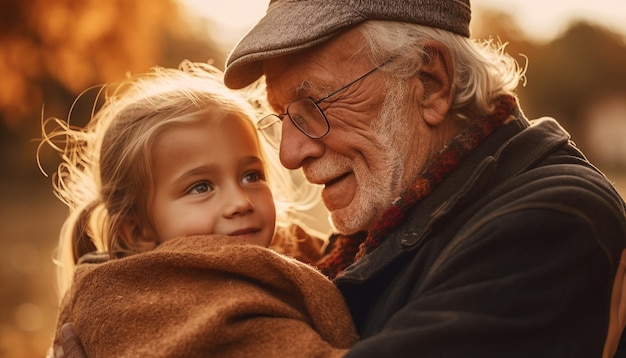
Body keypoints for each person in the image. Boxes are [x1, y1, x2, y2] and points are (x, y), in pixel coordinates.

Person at [220, 0, 626, 357]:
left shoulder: (552, 220)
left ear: (432, 83)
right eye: (284, 116)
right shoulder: (382, 228)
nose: (290, 154)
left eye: (314, 105)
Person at [41, 61, 357, 357]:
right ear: (136, 231)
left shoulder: (293, 257)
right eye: (201, 187)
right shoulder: (175, 302)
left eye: (251, 176)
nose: (240, 202)